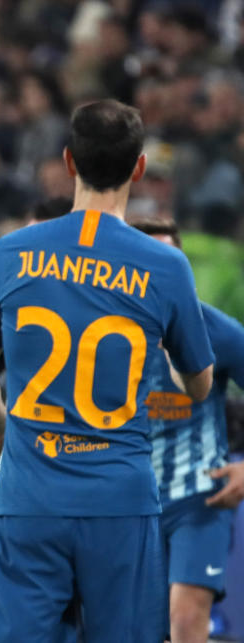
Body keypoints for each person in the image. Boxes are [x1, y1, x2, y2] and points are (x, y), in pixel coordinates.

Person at [0, 99, 214, 642]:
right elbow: (200, 384)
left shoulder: (9, 253)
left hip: (28, 496)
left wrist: (0, 426)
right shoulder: (166, 265)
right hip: (120, 499)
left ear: (69, 162)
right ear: (139, 167)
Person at [131, 217, 244, 643]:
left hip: (198, 494)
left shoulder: (218, 331)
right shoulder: (102, 331)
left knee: (185, 617)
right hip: (124, 500)